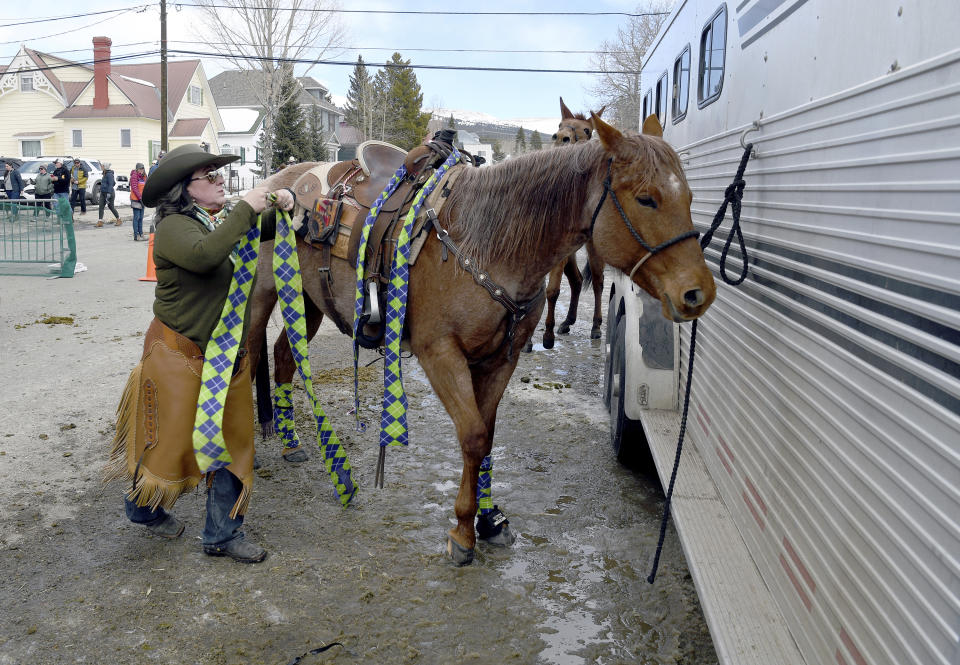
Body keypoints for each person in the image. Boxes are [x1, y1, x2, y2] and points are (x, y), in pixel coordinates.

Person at [106, 144, 295, 563]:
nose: (219, 180)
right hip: (177, 355)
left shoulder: (218, 218)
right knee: (166, 444)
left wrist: (287, 201)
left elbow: (263, 227)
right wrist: (248, 207)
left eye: (217, 174)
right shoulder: (175, 227)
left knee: (233, 442)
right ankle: (144, 509)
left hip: (225, 356)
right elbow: (206, 256)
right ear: (185, 189)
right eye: (209, 176)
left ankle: (223, 534)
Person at [96, 162, 122, 227]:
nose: (101, 167)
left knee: (111, 207)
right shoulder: (104, 173)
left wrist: (109, 193)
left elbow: (111, 184)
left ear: (105, 167)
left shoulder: (109, 174)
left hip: (109, 193)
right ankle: (100, 221)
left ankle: (119, 219)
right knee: (101, 207)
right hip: (103, 193)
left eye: (102, 166)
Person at [129, 162, 147, 240]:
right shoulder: (134, 176)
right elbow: (135, 188)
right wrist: (140, 198)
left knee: (141, 218)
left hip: (142, 199)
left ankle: (141, 233)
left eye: (142, 168)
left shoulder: (144, 176)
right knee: (136, 217)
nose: (141, 170)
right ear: (137, 169)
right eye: (140, 169)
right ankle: (136, 235)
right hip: (136, 199)